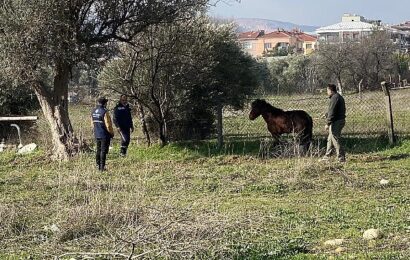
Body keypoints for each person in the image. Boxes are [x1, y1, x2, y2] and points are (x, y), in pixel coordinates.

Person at [320, 84, 346, 163]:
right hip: (339, 120)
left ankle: (341, 157)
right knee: (330, 139)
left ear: (330, 90)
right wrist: (326, 114)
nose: (327, 92)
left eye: (327, 91)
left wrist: (327, 123)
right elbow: (334, 110)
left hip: (336, 121)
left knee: (335, 139)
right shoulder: (337, 97)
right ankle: (327, 156)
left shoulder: (334, 98)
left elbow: (332, 112)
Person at [92, 97, 114, 171]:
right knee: (103, 151)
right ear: (105, 103)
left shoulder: (93, 111)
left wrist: (94, 131)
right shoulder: (104, 112)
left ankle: (97, 164)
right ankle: (102, 167)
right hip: (104, 134)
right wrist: (111, 133)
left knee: (98, 149)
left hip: (97, 133)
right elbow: (108, 124)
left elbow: (92, 124)